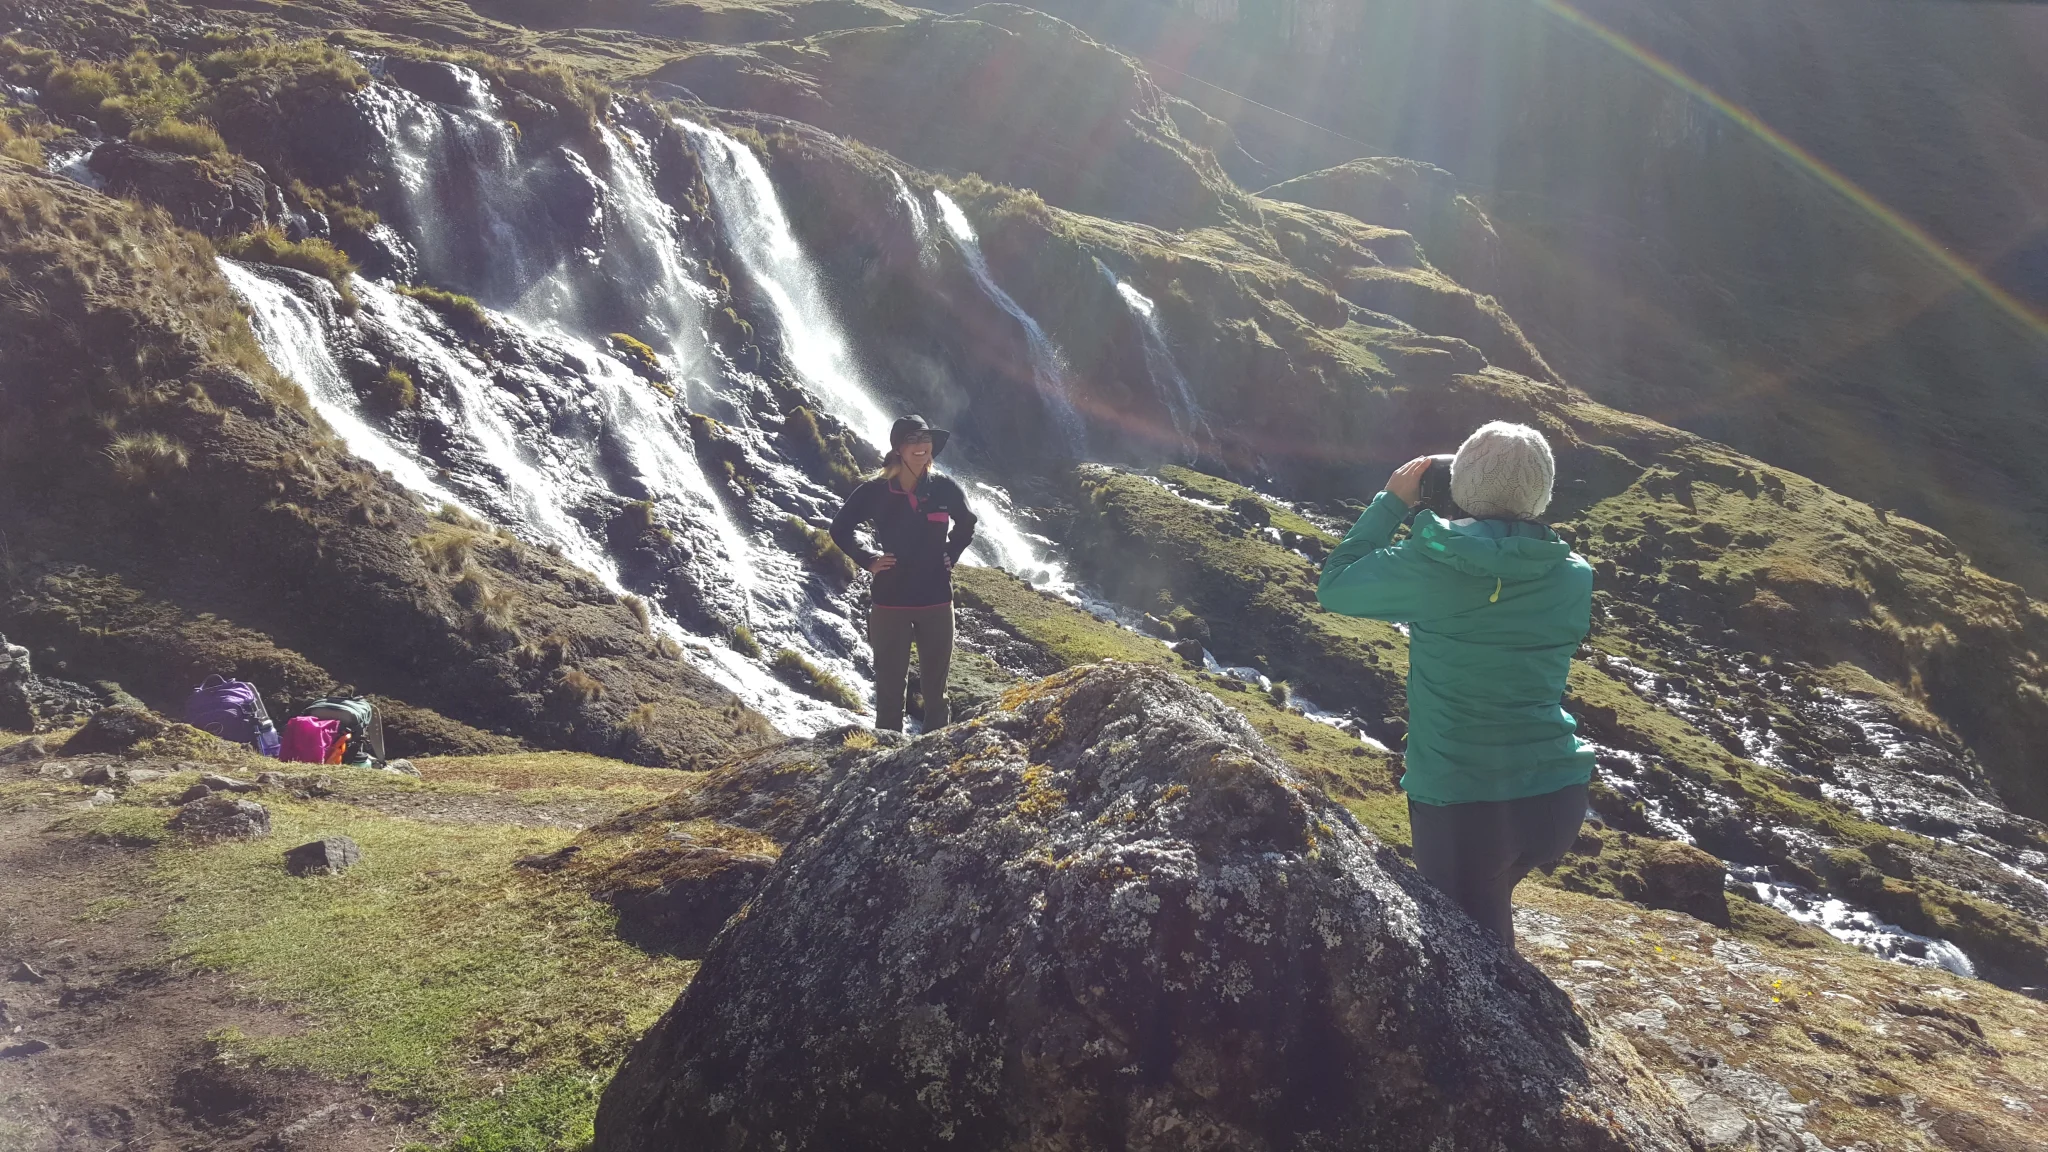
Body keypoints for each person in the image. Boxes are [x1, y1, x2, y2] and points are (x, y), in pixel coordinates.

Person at [1316, 421, 1594, 948]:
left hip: (1468, 809)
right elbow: (1505, 560)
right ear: (1542, 495)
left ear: (1461, 485)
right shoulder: (1575, 574)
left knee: (1474, 962)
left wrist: (1392, 504)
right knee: (1490, 931)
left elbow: (1336, 586)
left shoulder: (1435, 564)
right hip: (1558, 798)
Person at [829, 415, 979, 732]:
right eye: (912, 441)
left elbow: (967, 523)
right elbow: (840, 528)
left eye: (925, 440)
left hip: (937, 600)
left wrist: (951, 554)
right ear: (898, 449)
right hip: (890, 602)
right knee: (889, 692)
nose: (922, 447)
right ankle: (886, 763)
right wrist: (867, 558)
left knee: (936, 695)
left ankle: (935, 764)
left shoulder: (944, 488)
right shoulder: (875, 491)